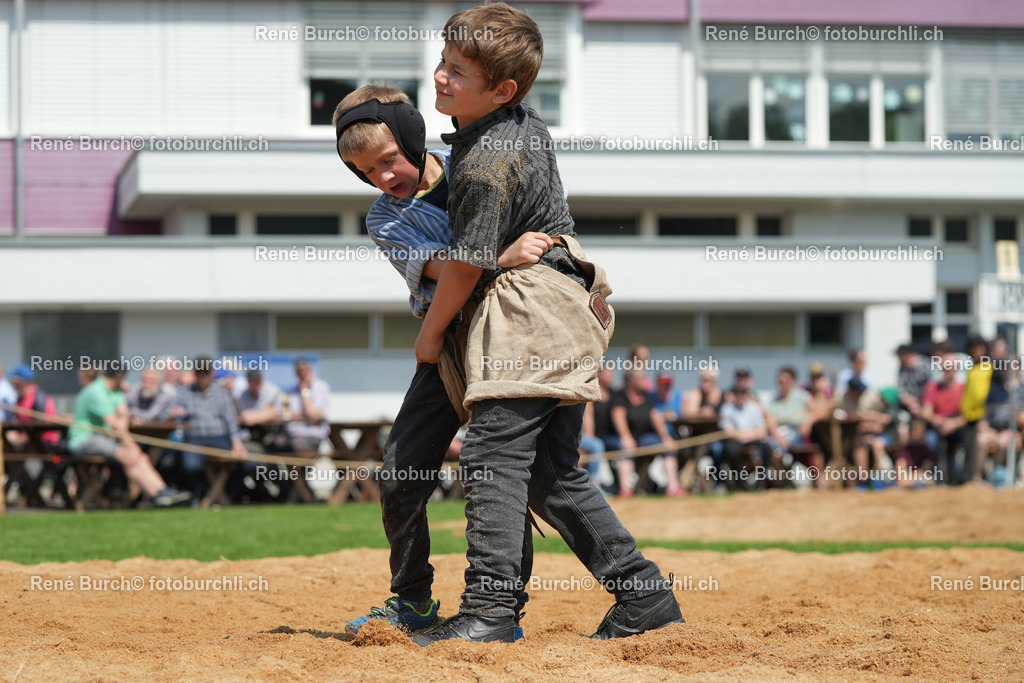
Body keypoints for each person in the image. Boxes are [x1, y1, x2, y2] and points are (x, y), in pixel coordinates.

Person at [413, 3, 682, 644]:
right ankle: (643, 597)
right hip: (572, 300)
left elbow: (465, 267)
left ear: (501, 90)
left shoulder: (483, 163)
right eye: (443, 63)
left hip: (529, 310)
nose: (441, 78)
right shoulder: (520, 120)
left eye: (458, 71)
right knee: (549, 468)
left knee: (493, 456)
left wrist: (429, 336)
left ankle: (490, 611)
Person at [333, 82, 552, 637]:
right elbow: (447, 272)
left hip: (509, 339)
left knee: (501, 473)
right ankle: (411, 600)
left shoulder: (476, 162)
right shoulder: (385, 219)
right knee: (401, 469)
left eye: (388, 160)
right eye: (364, 172)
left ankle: (502, 608)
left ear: (411, 137)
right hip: (446, 338)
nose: (382, 178)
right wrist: (500, 256)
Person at [68, 365, 190, 507]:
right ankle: (156, 495)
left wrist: (129, 439)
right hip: (85, 440)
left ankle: (163, 491)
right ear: (120, 376)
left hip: (105, 438)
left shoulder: (115, 390)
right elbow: (115, 424)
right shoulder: (95, 391)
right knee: (130, 454)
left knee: (141, 456)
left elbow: (124, 415)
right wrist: (131, 444)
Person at [167, 357, 247, 502]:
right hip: (195, 439)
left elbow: (230, 419)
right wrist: (173, 414)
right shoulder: (183, 393)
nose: (202, 376)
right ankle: (198, 495)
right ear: (195, 374)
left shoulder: (222, 393)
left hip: (220, 439)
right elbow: (168, 414)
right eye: (199, 373)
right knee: (190, 466)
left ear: (211, 373)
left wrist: (237, 442)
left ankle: (226, 496)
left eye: (205, 373)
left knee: (247, 463)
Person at [608, 370, 682, 497]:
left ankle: (673, 487)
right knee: (627, 449)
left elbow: (655, 417)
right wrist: (626, 437)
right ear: (631, 381)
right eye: (642, 378)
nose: (646, 381)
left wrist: (665, 437)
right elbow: (618, 416)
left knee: (667, 447)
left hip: (643, 438)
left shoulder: (646, 396)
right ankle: (626, 489)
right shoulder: (621, 396)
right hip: (622, 438)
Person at [922, 352, 966, 484]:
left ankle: (960, 478)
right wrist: (939, 421)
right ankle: (938, 478)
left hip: (957, 427)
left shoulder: (964, 388)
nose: (948, 370)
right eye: (945, 367)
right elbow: (926, 412)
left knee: (965, 439)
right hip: (938, 427)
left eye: (951, 367)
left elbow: (967, 415)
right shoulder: (933, 387)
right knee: (931, 441)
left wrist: (953, 424)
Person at [719, 385, 773, 490]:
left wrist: (745, 436)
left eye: (743, 394)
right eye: (738, 394)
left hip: (750, 439)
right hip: (736, 440)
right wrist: (747, 434)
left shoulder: (753, 407)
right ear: (734, 395)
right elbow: (728, 432)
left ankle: (761, 481)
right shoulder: (727, 408)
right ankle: (740, 481)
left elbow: (761, 430)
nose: (740, 397)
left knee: (767, 449)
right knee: (732, 450)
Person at [3, 364, 61, 454]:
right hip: (27, 440)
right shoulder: (20, 399)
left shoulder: (39, 397)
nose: (12, 382)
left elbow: (40, 423)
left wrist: (23, 436)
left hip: (44, 441)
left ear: (21, 381)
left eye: (14, 379)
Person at [958, 335, 993, 485]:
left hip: (983, 416)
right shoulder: (972, 368)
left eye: (979, 347)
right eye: (974, 348)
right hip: (969, 416)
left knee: (979, 448)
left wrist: (985, 416)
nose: (977, 351)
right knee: (969, 448)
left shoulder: (991, 366)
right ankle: (967, 479)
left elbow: (990, 394)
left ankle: (979, 478)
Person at [278, 358, 331, 454]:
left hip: (311, 435)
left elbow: (313, 415)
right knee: (273, 446)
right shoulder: (290, 391)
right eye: (300, 374)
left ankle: (299, 469)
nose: (303, 377)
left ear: (310, 371)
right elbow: (285, 416)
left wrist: (304, 391)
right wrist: (303, 416)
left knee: (295, 449)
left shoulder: (321, 387)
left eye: (305, 373)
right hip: (291, 434)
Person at [895, 418, 937, 488]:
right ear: (910, 431)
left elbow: (925, 469)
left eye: (920, 431)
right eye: (914, 430)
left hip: (920, 477)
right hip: (906, 478)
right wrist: (903, 479)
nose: (916, 433)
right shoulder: (904, 450)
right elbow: (900, 468)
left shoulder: (927, 450)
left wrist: (910, 480)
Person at [895, 344, 929, 421]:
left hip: (926, 403)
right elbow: (900, 389)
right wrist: (910, 401)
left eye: (899, 356)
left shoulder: (926, 365)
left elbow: (933, 387)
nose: (898, 359)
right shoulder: (902, 368)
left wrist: (923, 404)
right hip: (910, 404)